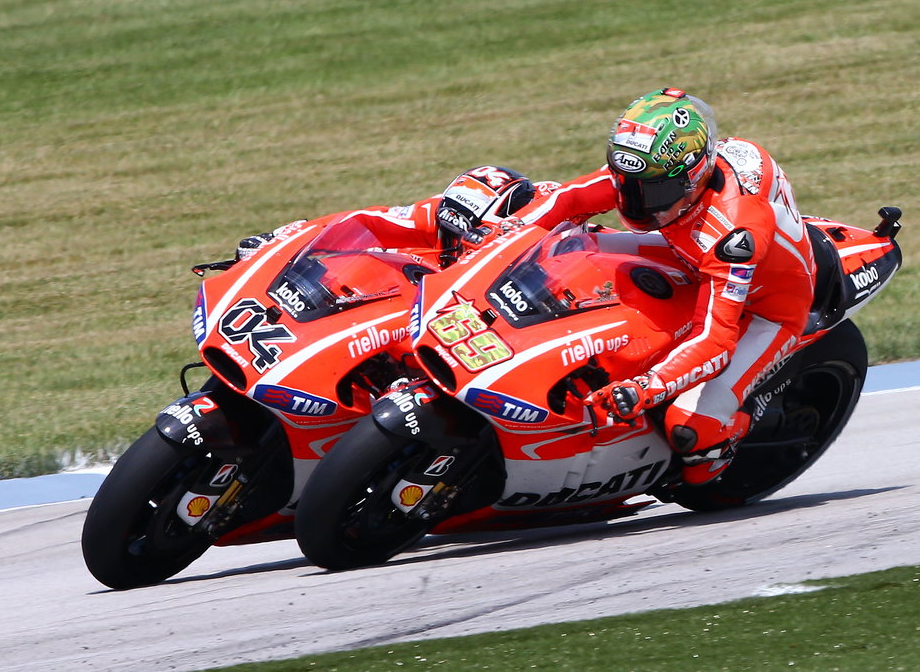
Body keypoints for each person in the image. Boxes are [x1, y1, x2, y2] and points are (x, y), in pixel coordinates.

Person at [519, 88, 816, 486]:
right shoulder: (650, 170)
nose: (634, 202)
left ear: (692, 176)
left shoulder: (733, 233)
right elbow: (567, 199)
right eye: (626, 184)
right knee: (568, 249)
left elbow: (715, 340)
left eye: (651, 192)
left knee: (688, 431)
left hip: (764, 310)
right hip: (686, 254)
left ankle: (724, 443)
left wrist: (647, 387)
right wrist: (507, 231)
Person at [235, 165, 548, 269]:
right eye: (449, 231)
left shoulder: (543, 235)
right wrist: (281, 238)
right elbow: (362, 221)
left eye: (464, 235)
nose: (453, 241)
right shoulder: (433, 214)